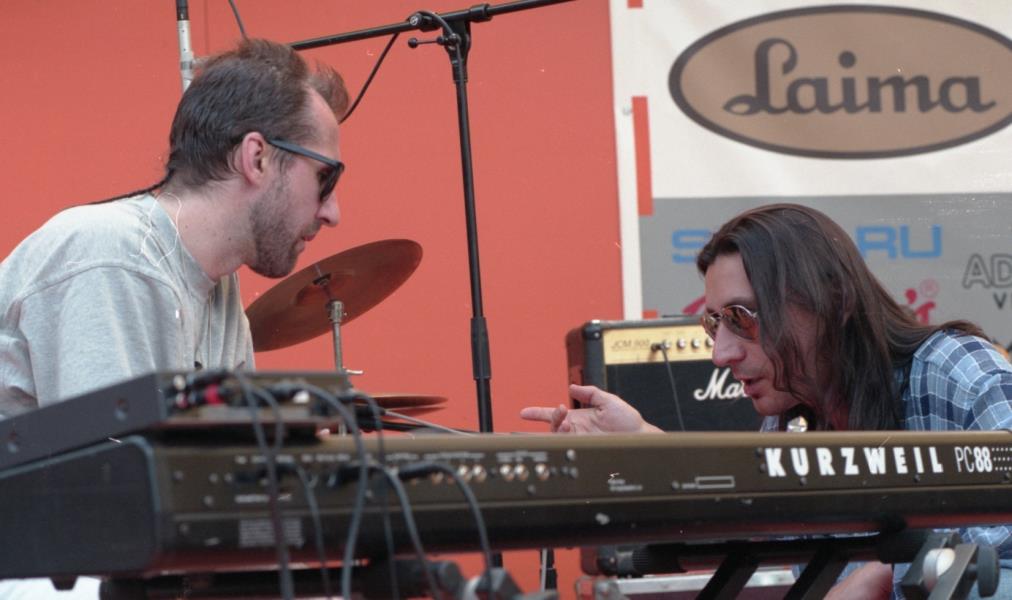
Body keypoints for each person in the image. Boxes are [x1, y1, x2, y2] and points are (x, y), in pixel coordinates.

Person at [0, 38, 348, 596]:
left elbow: (228, 489)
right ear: (257, 158)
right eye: (325, 179)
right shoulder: (110, 255)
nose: (332, 212)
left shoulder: (220, 286)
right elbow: (112, 509)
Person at [522, 203, 1012, 599]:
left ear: (834, 302)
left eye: (742, 317)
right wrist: (642, 447)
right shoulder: (791, 424)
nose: (721, 354)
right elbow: (735, 530)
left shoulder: (956, 370)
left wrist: (887, 574)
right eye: (714, 323)